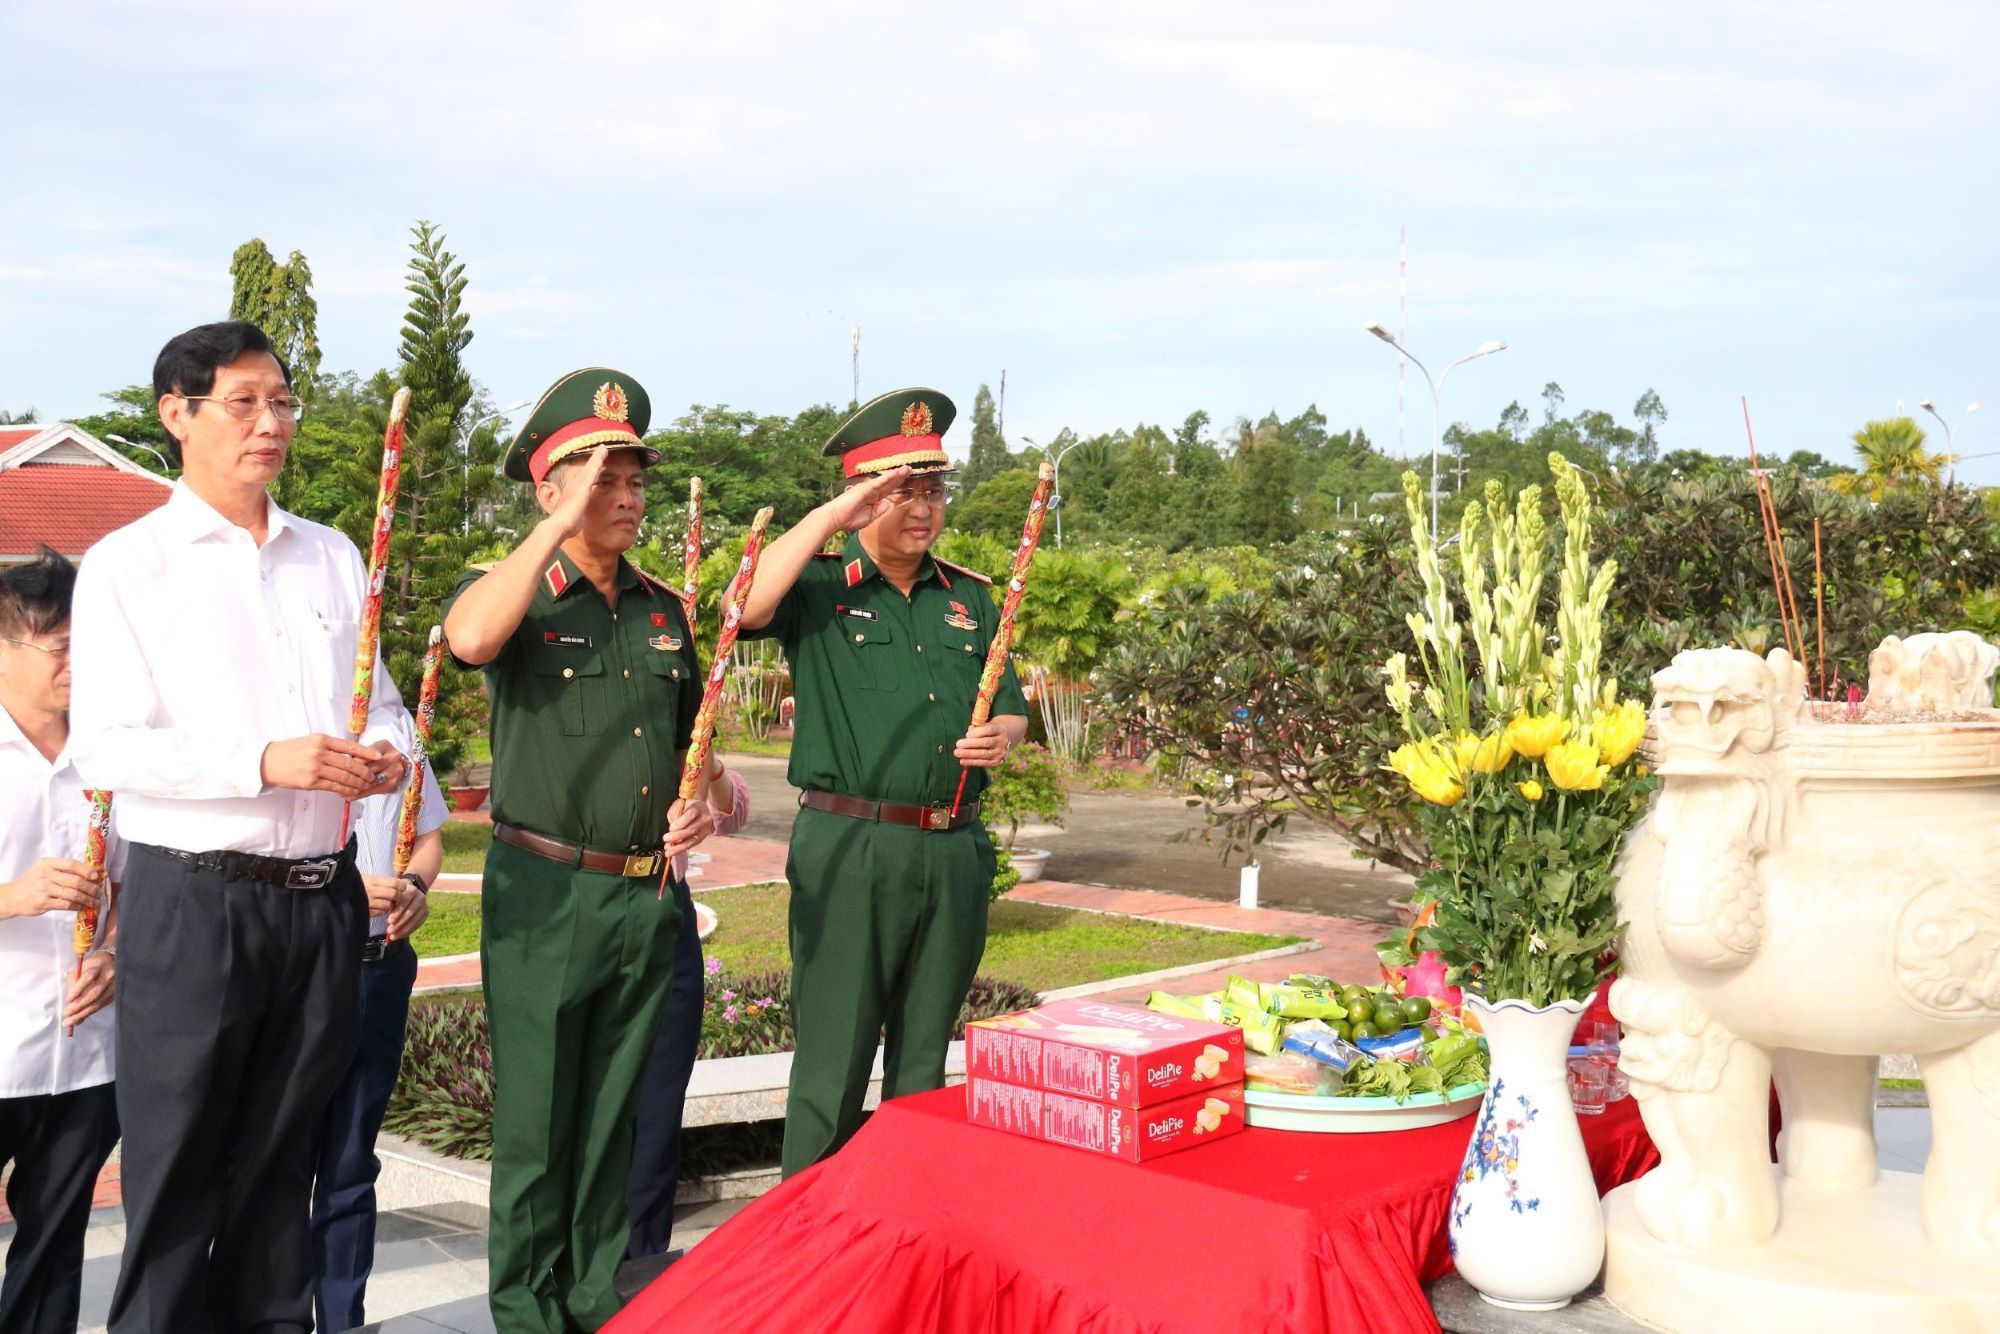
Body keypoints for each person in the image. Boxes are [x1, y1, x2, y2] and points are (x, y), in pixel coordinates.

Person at [67, 320, 410, 1331]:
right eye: (244, 402)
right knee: (174, 1173)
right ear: (177, 414)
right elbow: (108, 747)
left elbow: (377, 701)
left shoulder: (332, 556)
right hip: (196, 901)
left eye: (282, 401)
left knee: (282, 1172)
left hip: (319, 901)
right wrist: (262, 760)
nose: (271, 423)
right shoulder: (131, 565)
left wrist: (385, 753)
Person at [441, 367, 714, 1330]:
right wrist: (553, 534)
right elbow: (469, 639)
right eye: (602, 478)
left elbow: (698, 757)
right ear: (547, 489)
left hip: (645, 897)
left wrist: (707, 806)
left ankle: (597, 1299)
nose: (627, 498)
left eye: (635, 479)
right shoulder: (515, 593)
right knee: (538, 1126)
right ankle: (525, 1311)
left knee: (615, 1119)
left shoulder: (664, 610)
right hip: (545, 893)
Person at [735, 387, 1029, 1176]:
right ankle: (809, 1242)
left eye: (933, 491)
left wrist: (999, 738)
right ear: (862, 499)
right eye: (901, 492)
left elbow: (1012, 712)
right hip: (851, 845)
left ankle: (907, 1231)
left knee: (925, 1064)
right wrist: (832, 518)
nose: (924, 510)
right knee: (833, 1058)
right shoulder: (819, 584)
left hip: (953, 850)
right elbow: (745, 604)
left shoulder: (969, 597)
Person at [0, 549, 122, 1334]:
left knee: (54, 1242)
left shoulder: (115, 754)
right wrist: (12, 896)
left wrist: (117, 952)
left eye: (91, 644)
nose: (79, 665)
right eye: (60, 647)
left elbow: (148, 880)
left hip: (85, 1051)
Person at [309, 702, 445, 1333]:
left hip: (379, 965)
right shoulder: (291, 724)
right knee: (277, 1155)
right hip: (301, 969)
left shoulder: (400, 733)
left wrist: (414, 884)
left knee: (350, 1158)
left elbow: (427, 835)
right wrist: (339, 889)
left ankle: (344, 1320)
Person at [626, 752, 749, 1259]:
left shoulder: (680, 705)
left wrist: (708, 768)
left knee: (658, 1106)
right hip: (583, 893)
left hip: (665, 902)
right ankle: (577, 1273)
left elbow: (734, 811)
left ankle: (643, 1266)